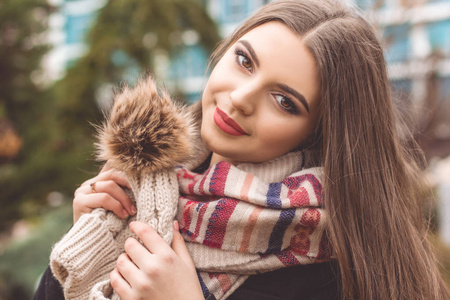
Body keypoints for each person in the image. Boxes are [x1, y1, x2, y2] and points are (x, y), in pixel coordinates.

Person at [33, 0, 450, 299]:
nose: (240, 98)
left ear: (318, 132)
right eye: (245, 61)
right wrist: (89, 240)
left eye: (285, 101)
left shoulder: (329, 267)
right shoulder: (139, 188)